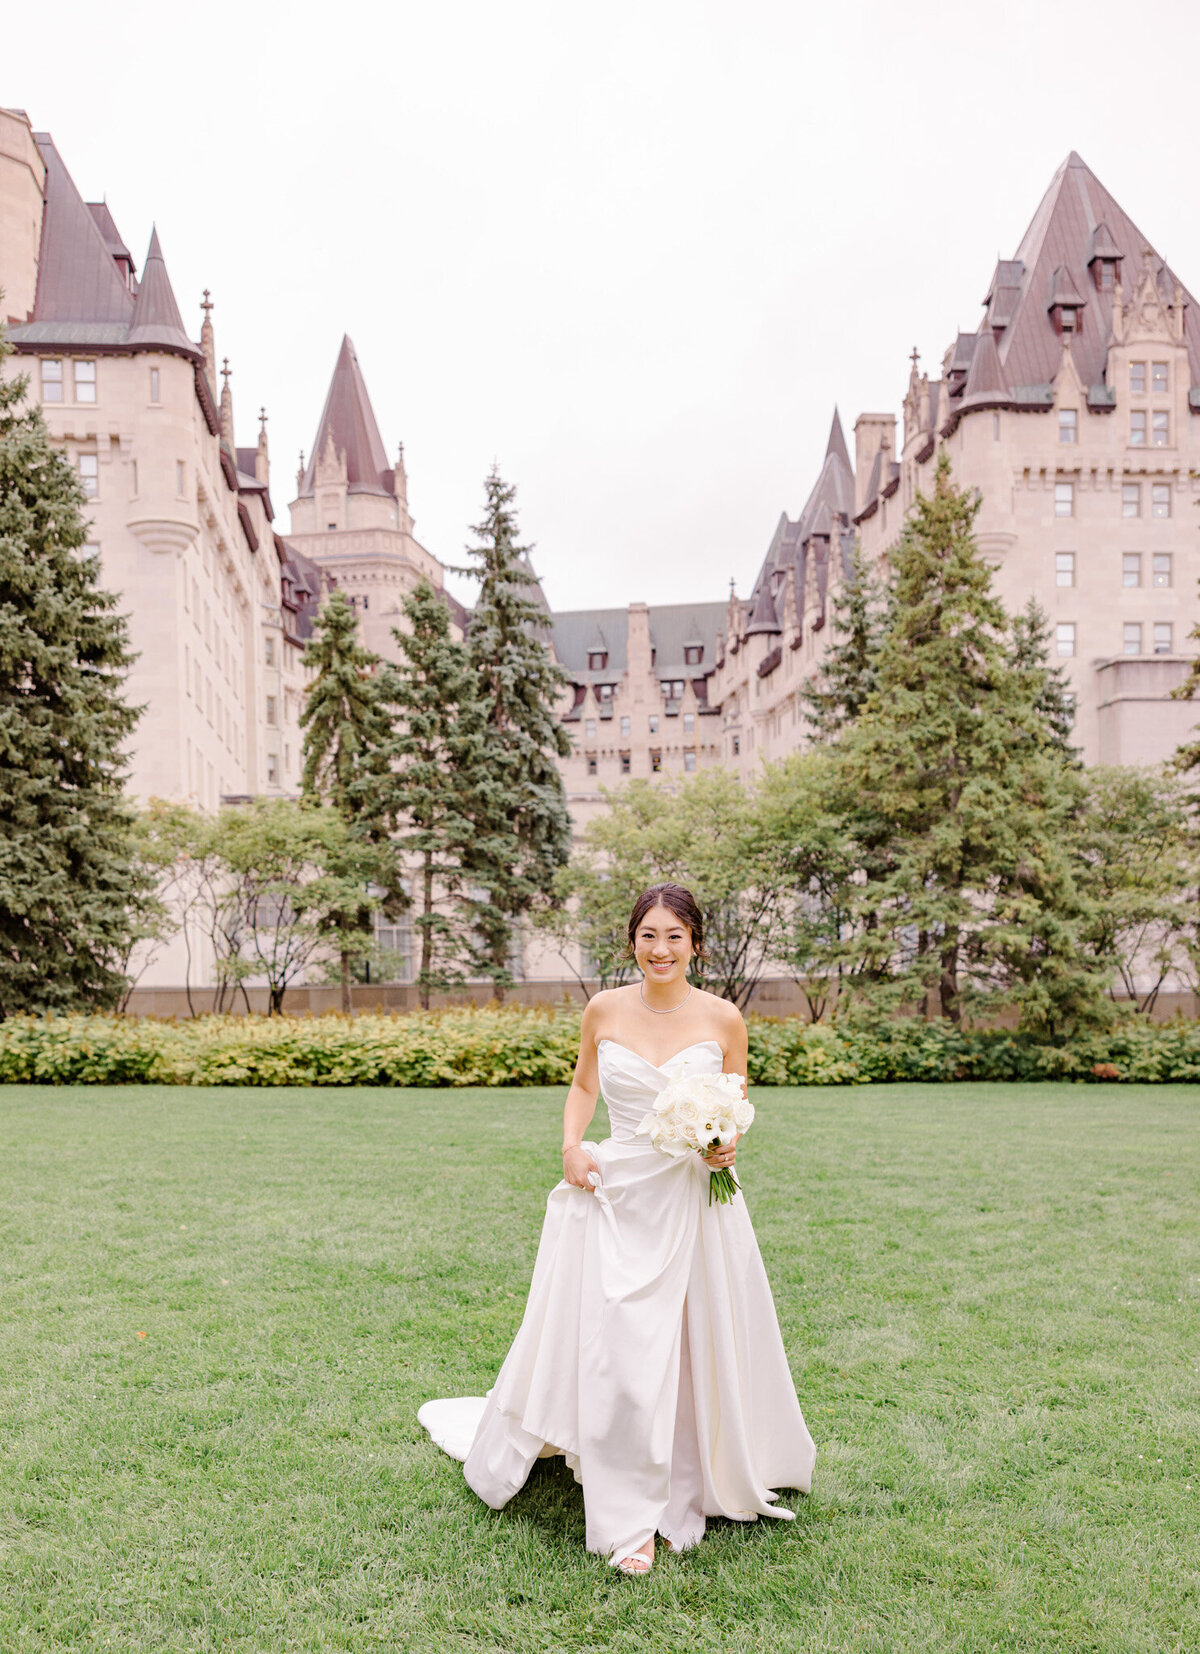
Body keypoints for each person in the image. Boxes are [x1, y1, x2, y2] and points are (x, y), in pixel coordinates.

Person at [418, 882, 815, 1574]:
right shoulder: (603, 1009)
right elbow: (582, 1086)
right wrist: (572, 1146)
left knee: (688, 1344)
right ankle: (629, 1516)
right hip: (617, 1193)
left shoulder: (724, 1019)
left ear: (696, 945)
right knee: (623, 1349)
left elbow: (734, 1106)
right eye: (648, 935)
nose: (660, 949)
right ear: (632, 941)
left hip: (693, 1200)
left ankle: (690, 1478)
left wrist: (724, 1147)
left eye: (674, 937)